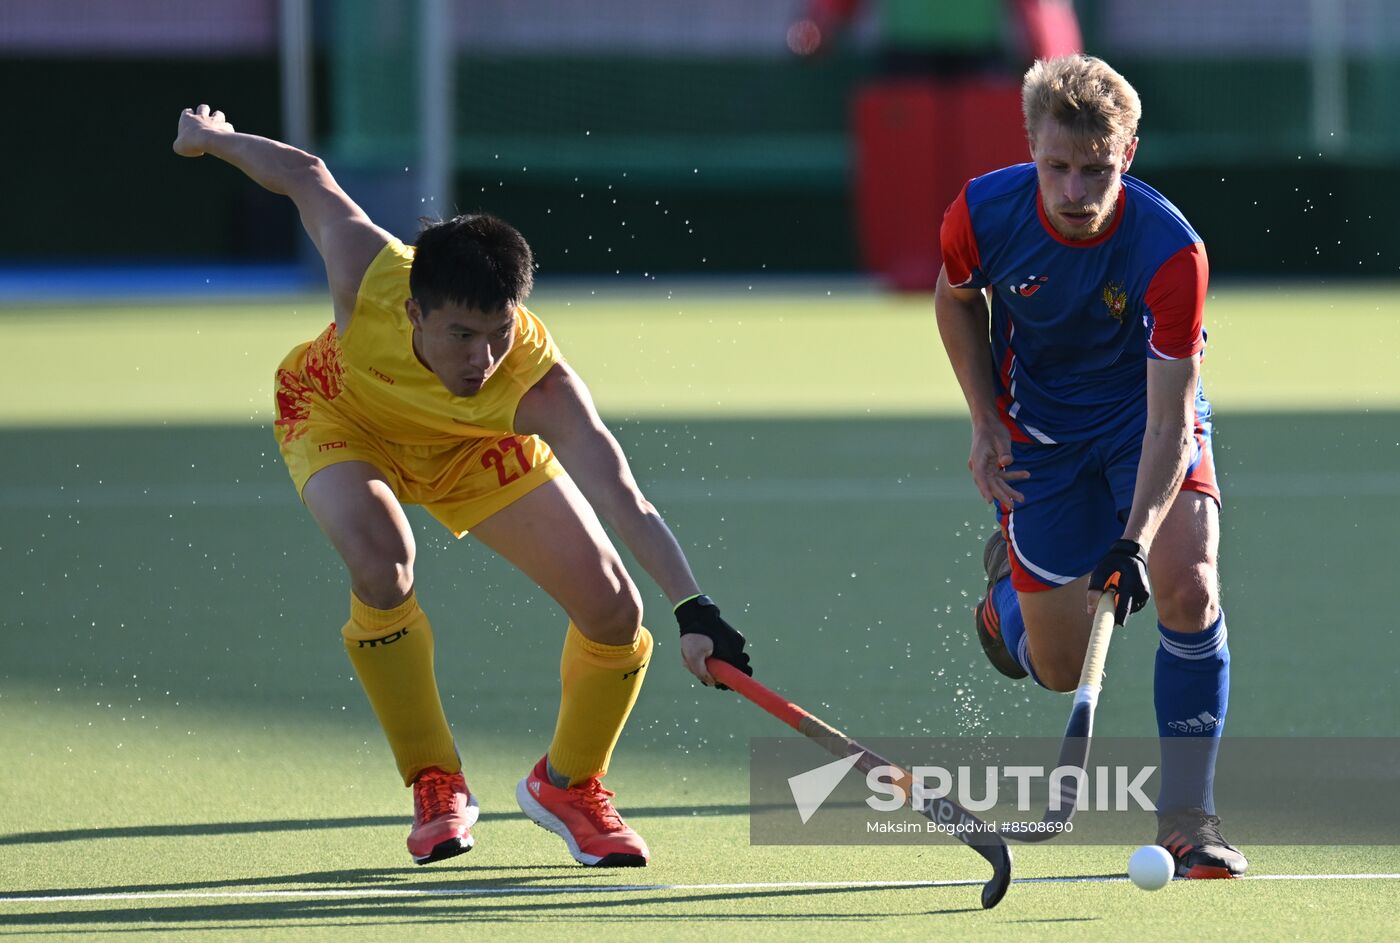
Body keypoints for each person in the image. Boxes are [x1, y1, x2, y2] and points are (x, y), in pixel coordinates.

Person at [171, 104, 752, 868]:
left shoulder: (535, 384)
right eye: (460, 335)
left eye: (498, 331)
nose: (482, 357)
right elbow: (305, 175)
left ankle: (569, 786)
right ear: (416, 311)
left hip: (472, 448)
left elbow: (622, 493)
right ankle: (435, 781)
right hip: (340, 414)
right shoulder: (368, 271)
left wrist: (694, 605)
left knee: (615, 608)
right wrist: (211, 140)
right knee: (384, 560)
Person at [934, 56, 1247, 878]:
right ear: (1031, 145)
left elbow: (1173, 418)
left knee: (1191, 582)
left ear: (1129, 153)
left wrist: (1136, 541)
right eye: (1058, 168)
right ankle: (1007, 607)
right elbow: (955, 296)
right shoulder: (982, 213)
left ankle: (1188, 816)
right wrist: (983, 418)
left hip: (1144, 422)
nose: (1076, 193)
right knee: (1063, 668)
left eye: (1097, 170)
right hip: (1039, 438)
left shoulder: (1170, 250)